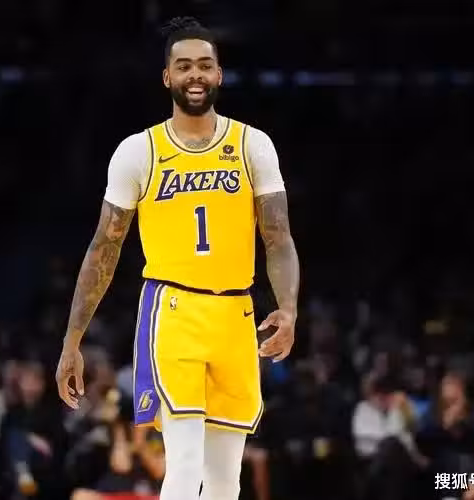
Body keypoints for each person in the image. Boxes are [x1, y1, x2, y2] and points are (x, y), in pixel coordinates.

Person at [56, 15, 300, 500]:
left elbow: (279, 238)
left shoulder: (252, 145)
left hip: (236, 313)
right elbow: (104, 248)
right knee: (185, 467)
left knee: (227, 479)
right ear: (167, 76)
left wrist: (288, 308)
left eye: (204, 65)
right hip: (172, 311)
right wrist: (72, 339)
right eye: (184, 66)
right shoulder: (138, 151)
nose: (195, 75)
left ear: (219, 74)